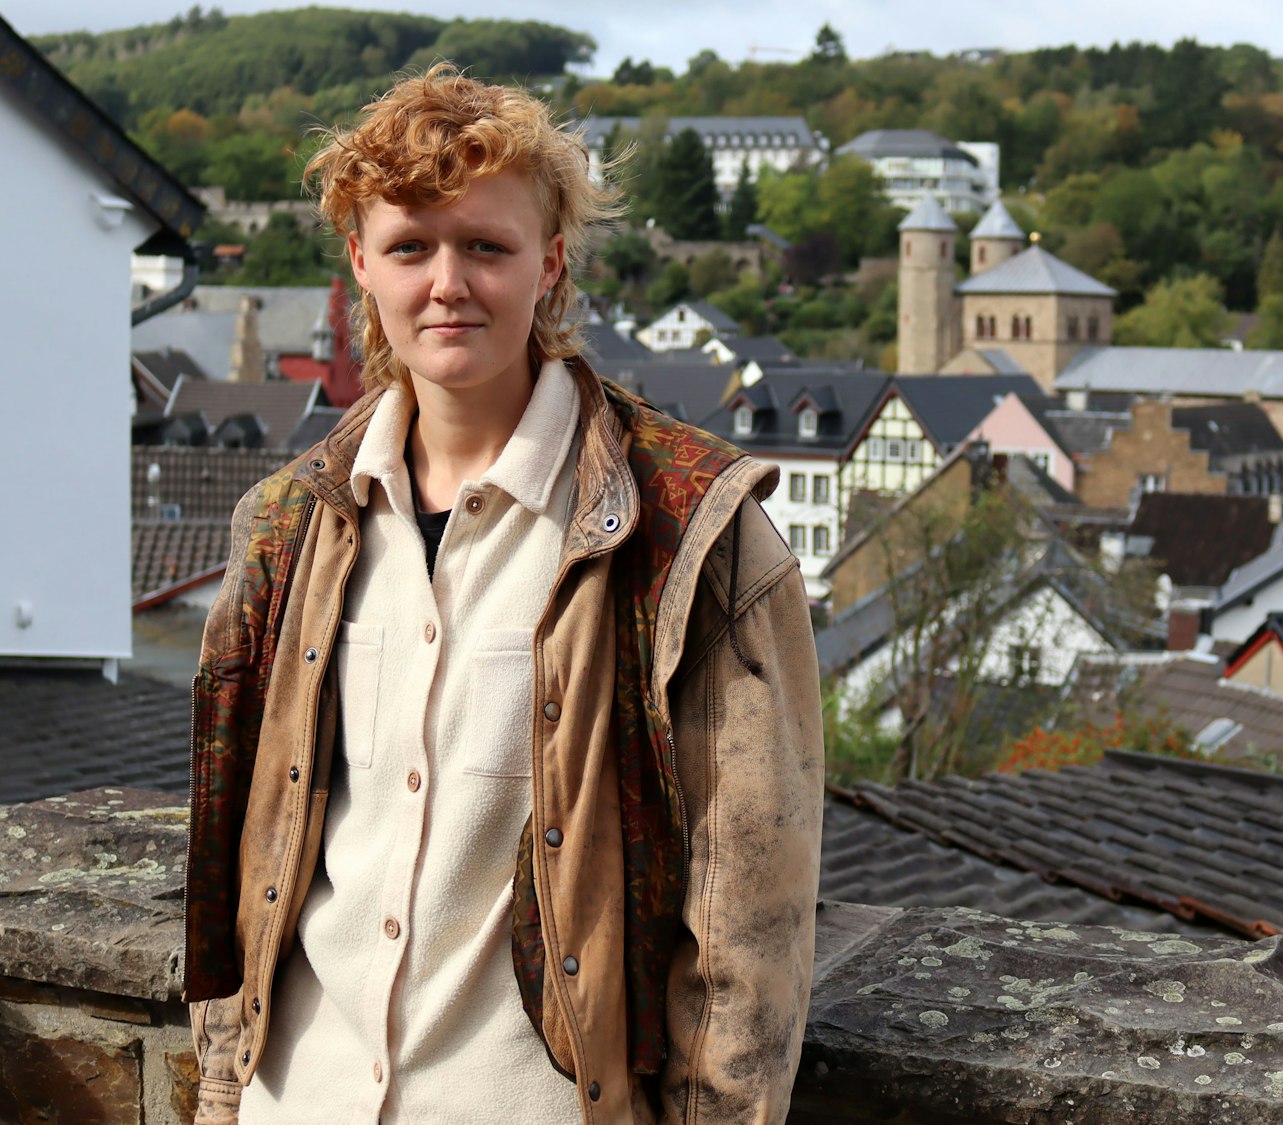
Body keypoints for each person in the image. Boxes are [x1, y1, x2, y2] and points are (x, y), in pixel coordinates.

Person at [181, 64, 824, 1124]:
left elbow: (747, 927)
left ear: (550, 262)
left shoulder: (690, 533)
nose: (448, 283)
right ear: (359, 265)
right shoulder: (287, 528)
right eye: (408, 247)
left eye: (486, 245)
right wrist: (217, 1096)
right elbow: (247, 852)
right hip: (294, 1101)